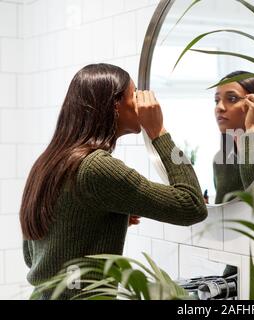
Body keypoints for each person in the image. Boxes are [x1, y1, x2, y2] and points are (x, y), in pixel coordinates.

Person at [19, 63, 207, 299]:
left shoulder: (47, 162)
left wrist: (93, 223)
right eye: (135, 94)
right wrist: (159, 132)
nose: (141, 102)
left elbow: (32, 256)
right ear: (115, 105)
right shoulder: (97, 166)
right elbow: (191, 206)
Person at [213, 71, 254, 204]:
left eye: (232, 99)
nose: (219, 107)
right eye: (216, 100)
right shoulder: (221, 160)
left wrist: (252, 127)